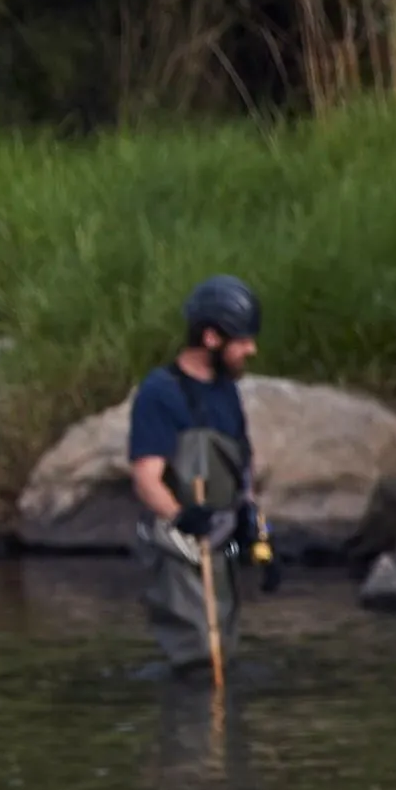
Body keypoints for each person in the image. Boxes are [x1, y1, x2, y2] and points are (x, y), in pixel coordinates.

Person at [128, 275, 270, 675]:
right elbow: (146, 477)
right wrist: (183, 518)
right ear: (211, 338)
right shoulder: (160, 392)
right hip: (181, 542)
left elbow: (243, 469)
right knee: (198, 655)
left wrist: (258, 533)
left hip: (222, 536)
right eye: (242, 340)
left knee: (224, 649)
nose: (251, 350)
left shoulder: (227, 392)